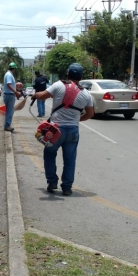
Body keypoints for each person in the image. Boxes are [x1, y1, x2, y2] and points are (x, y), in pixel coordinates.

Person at [31, 63, 94, 196]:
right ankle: (66, 187)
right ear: (81, 77)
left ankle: (52, 182)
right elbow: (90, 114)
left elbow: (42, 96)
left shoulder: (58, 85)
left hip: (54, 130)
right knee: (70, 159)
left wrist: (35, 95)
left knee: (49, 154)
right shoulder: (86, 94)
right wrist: (77, 120)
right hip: (73, 131)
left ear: (67, 74)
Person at [2, 62, 22, 132]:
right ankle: (7, 126)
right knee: (9, 111)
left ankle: (7, 125)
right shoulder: (9, 75)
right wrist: (15, 92)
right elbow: (9, 85)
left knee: (9, 111)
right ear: (14, 69)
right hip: (9, 95)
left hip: (9, 95)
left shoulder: (8, 74)